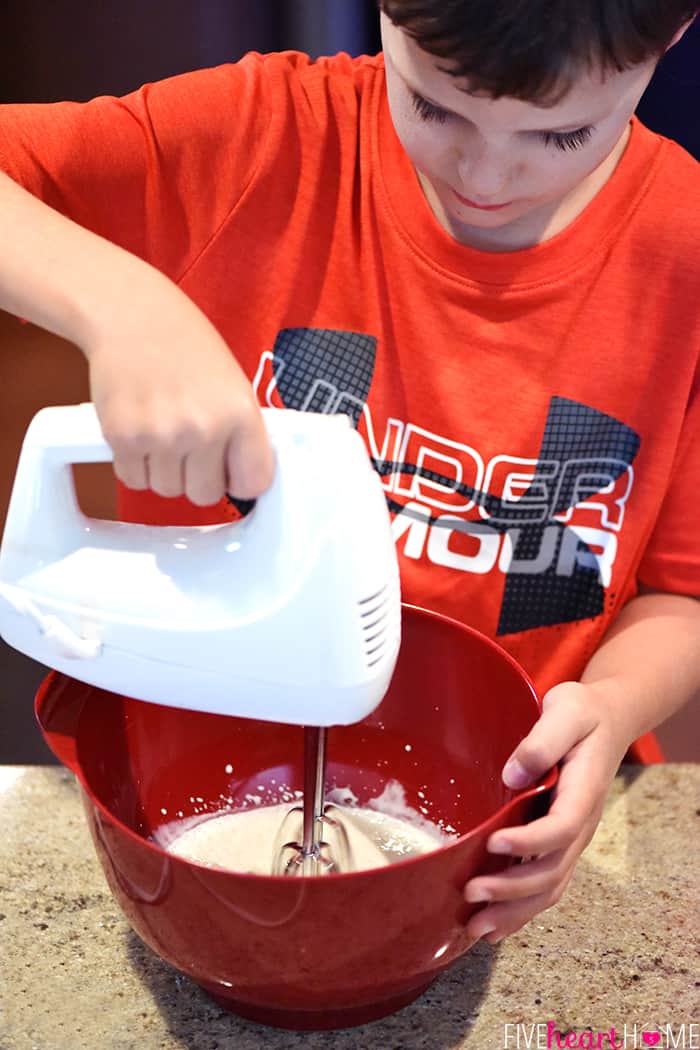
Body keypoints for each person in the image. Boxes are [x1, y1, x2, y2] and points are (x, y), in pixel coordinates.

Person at [1, 1, 699, 947]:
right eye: (436, 108)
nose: (487, 178)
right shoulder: (255, 140)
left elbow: (679, 591)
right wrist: (117, 300)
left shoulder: (680, 258)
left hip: (517, 827)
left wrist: (612, 706)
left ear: (671, 36)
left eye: (562, 131)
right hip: (196, 743)